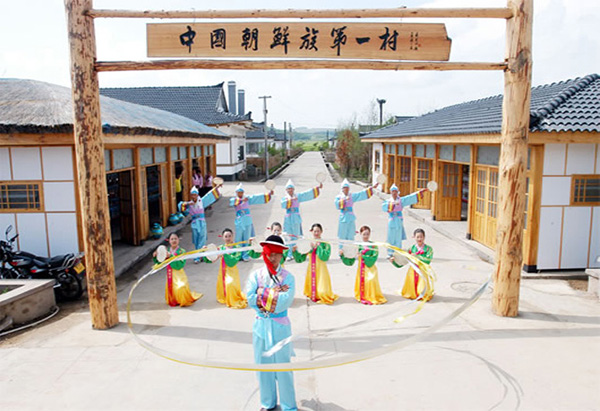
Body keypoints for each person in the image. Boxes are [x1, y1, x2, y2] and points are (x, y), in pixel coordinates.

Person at [245, 235, 297, 411]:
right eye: (269, 253)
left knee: (283, 367)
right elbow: (250, 298)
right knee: (262, 366)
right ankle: (267, 403)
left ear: (282, 255)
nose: (272, 258)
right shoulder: (255, 275)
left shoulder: (288, 278)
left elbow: (285, 301)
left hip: (280, 326)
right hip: (261, 326)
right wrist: (273, 293)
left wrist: (261, 292)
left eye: (276, 254)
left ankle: (289, 406)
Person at [340, 225, 387, 305]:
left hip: (370, 266)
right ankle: (363, 295)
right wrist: (343, 254)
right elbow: (351, 255)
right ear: (360, 234)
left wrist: (363, 256)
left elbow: (374, 256)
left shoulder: (373, 245)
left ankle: (371, 296)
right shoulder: (358, 245)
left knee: (370, 279)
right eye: (364, 234)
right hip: (361, 268)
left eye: (367, 234)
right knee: (364, 281)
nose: (366, 236)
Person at [153, 232, 202, 307]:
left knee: (181, 287)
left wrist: (171, 256)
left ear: (178, 240)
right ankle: (175, 300)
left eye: (175, 239)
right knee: (172, 287)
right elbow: (160, 262)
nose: (174, 240)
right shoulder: (167, 251)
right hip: (170, 274)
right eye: (172, 239)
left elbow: (179, 265)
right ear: (169, 241)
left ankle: (181, 300)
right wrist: (156, 256)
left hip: (179, 275)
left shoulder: (182, 251)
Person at [293, 223, 338, 304]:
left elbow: (325, 257)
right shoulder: (309, 242)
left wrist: (318, 247)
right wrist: (296, 251)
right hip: (311, 268)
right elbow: (302, 257)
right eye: (314, 231)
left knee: (322, 291)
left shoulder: (325, 243)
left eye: (318, 231)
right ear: (311, 231)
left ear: (321, 231)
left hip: (321, 268)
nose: (316, 233)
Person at [229, 183, 274, 261]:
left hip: (247, 221)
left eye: (241, 192)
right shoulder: (234, 200)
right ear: (236, 193)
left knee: (247, 239)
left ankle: (245, 255)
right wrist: (241, 200)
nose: (240, 194)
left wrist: (269, 194)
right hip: (239, 222)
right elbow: (232, 202)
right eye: (238, 192)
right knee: (238, 239)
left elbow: (257, 198)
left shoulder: (247, 199)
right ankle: (238, 255)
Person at [204, 228, 247, 309]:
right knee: (224, 284)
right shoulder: (221, 248)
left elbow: (233, 261)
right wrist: (206, 251)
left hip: (232, 271)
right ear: (223, 238)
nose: (228, 238)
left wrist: (224, 254)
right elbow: (212, 259)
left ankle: (233, 299)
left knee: (230, 284)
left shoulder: (237, 247)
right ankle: (226, 297)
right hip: (223, 271)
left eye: (229, 236)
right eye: (226, 236)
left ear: (233, 236)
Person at [181, 183, 222, 263]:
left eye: (195, 195)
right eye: (192, 195)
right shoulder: (189, 204)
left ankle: (199, 256)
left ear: (197, 195)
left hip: (202, 223)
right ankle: (199, 255)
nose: (194, 196)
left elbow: (209, 195)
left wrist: (217, 187)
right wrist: (188, 204)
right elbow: (181, 206)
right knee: (196, 240)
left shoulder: (201, 201)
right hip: (194, 223)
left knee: (202, 239)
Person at [382, 184, 427, 256]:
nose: (394, 193)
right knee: (391, 237)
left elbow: (409, 198)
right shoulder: (388, 201)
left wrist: (418, 193)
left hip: (398, 221)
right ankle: (390, 253)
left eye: (395, 191)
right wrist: (393, 204)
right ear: (391, 192)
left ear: (397, 192)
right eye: (393, 191)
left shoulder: (401, 200)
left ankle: (397, 253)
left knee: (398, 237)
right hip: (392, 220)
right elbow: (384, 207)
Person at [334, 179, 378, 248]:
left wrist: (371, 189)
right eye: (344, 188)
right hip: (343, 218)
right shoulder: (338, 197)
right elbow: (337, 205)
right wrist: (344, 200)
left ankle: (350, 250)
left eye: (347, 187)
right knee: (342, 235)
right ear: (342, 189)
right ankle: (341, 250)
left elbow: (360, 194)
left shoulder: (351, 196)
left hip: (351, 217)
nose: (346, 189)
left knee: (351, 234)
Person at [400, 228, 434, 301]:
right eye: (417, 237)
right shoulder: (411, 248)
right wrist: (394, 260)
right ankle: (412, 293)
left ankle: (422, 294)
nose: (419, 239)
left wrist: (417, 256)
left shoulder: (428, 249)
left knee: (422, 285)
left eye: (421, 237)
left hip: (422, 270)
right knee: (411, 283)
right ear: (414, 237)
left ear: (424, 237)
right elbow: (404, 260)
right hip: (413, 269)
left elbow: (428, 260)